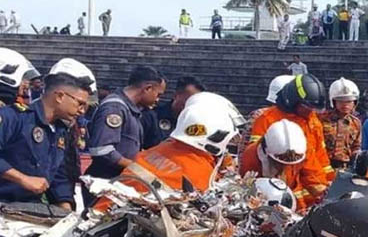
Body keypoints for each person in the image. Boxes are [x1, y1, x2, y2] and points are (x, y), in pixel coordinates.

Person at [94, 93, 242, 213]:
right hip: (123, 231)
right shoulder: (201, 173)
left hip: (101, 215)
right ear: (216, 137)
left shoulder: (162, 148)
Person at [0, 55, 96, 209]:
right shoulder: (14, 117)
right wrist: (22, 179)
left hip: (30, 209)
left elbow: (58, 175)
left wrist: (65, 206)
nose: (82, 110)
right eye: (79, 103)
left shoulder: (60, 130)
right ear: (59, 96)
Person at [249, 74, 334, 200]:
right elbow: (258, 161)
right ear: (293, 101)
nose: (311, 112)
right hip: (284, 195)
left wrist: (331, 183)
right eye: (307, 107)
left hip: (315, 195)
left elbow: (321, 156)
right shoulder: (268, 120)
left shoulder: (312, 120)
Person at [85, 66, 166, 189]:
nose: (157, 100)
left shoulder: (131, 110)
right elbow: (101, 150)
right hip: (105, 183)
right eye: (158, 94)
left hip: (118, 181)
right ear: (148, 88)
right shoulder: (115, 108)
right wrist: (136, 168)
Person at [241, 119, 320, 210]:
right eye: (279, 163)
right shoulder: (251, 157)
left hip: (291, 200)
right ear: (267, 152)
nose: (284, 167)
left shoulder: (302, 151)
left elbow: (312, 176)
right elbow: (251, 192)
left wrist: (322, 195)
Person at [141, 75, 205, 149]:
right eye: (188, 100)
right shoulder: (152, 116)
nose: (190, 105)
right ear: (176, 95)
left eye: (195, 102)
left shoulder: (196, 125)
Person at [320, 78, 362, 169]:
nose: (345, 105)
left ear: (354, 103)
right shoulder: (321, 119)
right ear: (334, 102)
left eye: (349, 101)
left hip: (344, 168)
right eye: (341, 101)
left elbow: (356, 146)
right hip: (323, 165)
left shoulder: (356, 123)